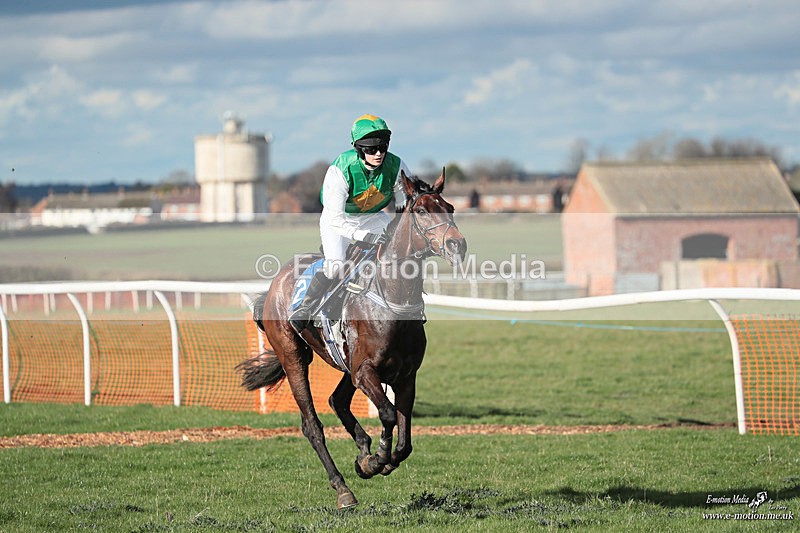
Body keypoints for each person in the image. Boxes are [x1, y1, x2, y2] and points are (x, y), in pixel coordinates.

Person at [289, 114, 412, 332]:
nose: (378, 154)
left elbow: (404, 205)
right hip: (339, 220)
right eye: (371, 149)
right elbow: (335, 218)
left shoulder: (396, 165)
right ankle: (305, 308)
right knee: (336, 265)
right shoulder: (340, 169)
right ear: (358, 148)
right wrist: (365, 237)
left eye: (382, 148)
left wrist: (398, 231)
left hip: (373, 218)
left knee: (399, 255)